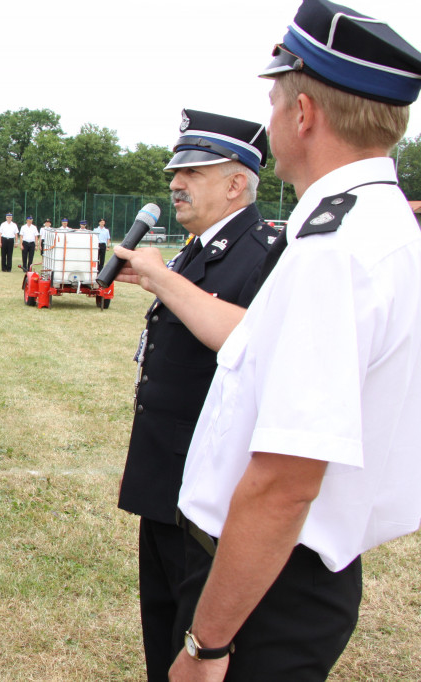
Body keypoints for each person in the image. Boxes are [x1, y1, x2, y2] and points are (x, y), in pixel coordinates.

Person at [116, 1, 421, 678]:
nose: (273, 119)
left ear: (304, 113)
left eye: (276, 101)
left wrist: (206, 645)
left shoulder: (337, 247)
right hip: (278, 571)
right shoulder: (368, 225)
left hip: (266, 578)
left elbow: (285, 482)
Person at [115, 109, 276, 681]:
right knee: (162, 646)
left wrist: (165, 279)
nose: (176, 183)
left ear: (237, 183)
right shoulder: (196, 249)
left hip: (211, 501)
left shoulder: (263, 252)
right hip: (168, 486)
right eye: (175, 171)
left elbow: (252, 342)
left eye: (195, 171)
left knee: (196, 649)